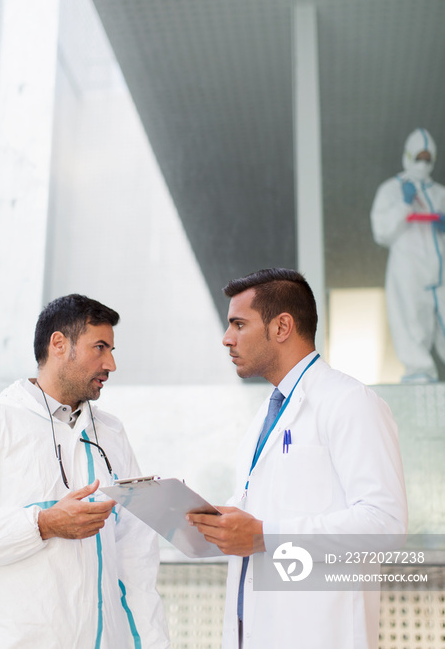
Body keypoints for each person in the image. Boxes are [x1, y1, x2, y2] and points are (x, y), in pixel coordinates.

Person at [188, 269, 407, 649]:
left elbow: (384, 525)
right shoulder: (266, 416)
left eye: (239, 324)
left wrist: (262, 535)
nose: (227, 339)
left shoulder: (350, 402)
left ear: (282, 326)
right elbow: (267, 518)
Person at [0, 294, 170, 649]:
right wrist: (43, 524)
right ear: (58, 344)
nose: (110, 364)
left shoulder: (111, 432)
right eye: (99, 347)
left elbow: (137, 558)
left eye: (112, 350)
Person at [371, 127, 445, 383]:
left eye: (428, 159)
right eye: (418, 158)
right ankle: (419, 372)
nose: (423, 164)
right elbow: (381, 232)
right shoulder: (391, 190)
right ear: (408, 155)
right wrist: (404, 205)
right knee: (411, 321)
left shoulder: (439, 193)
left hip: (441, 271)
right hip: (409, 269)